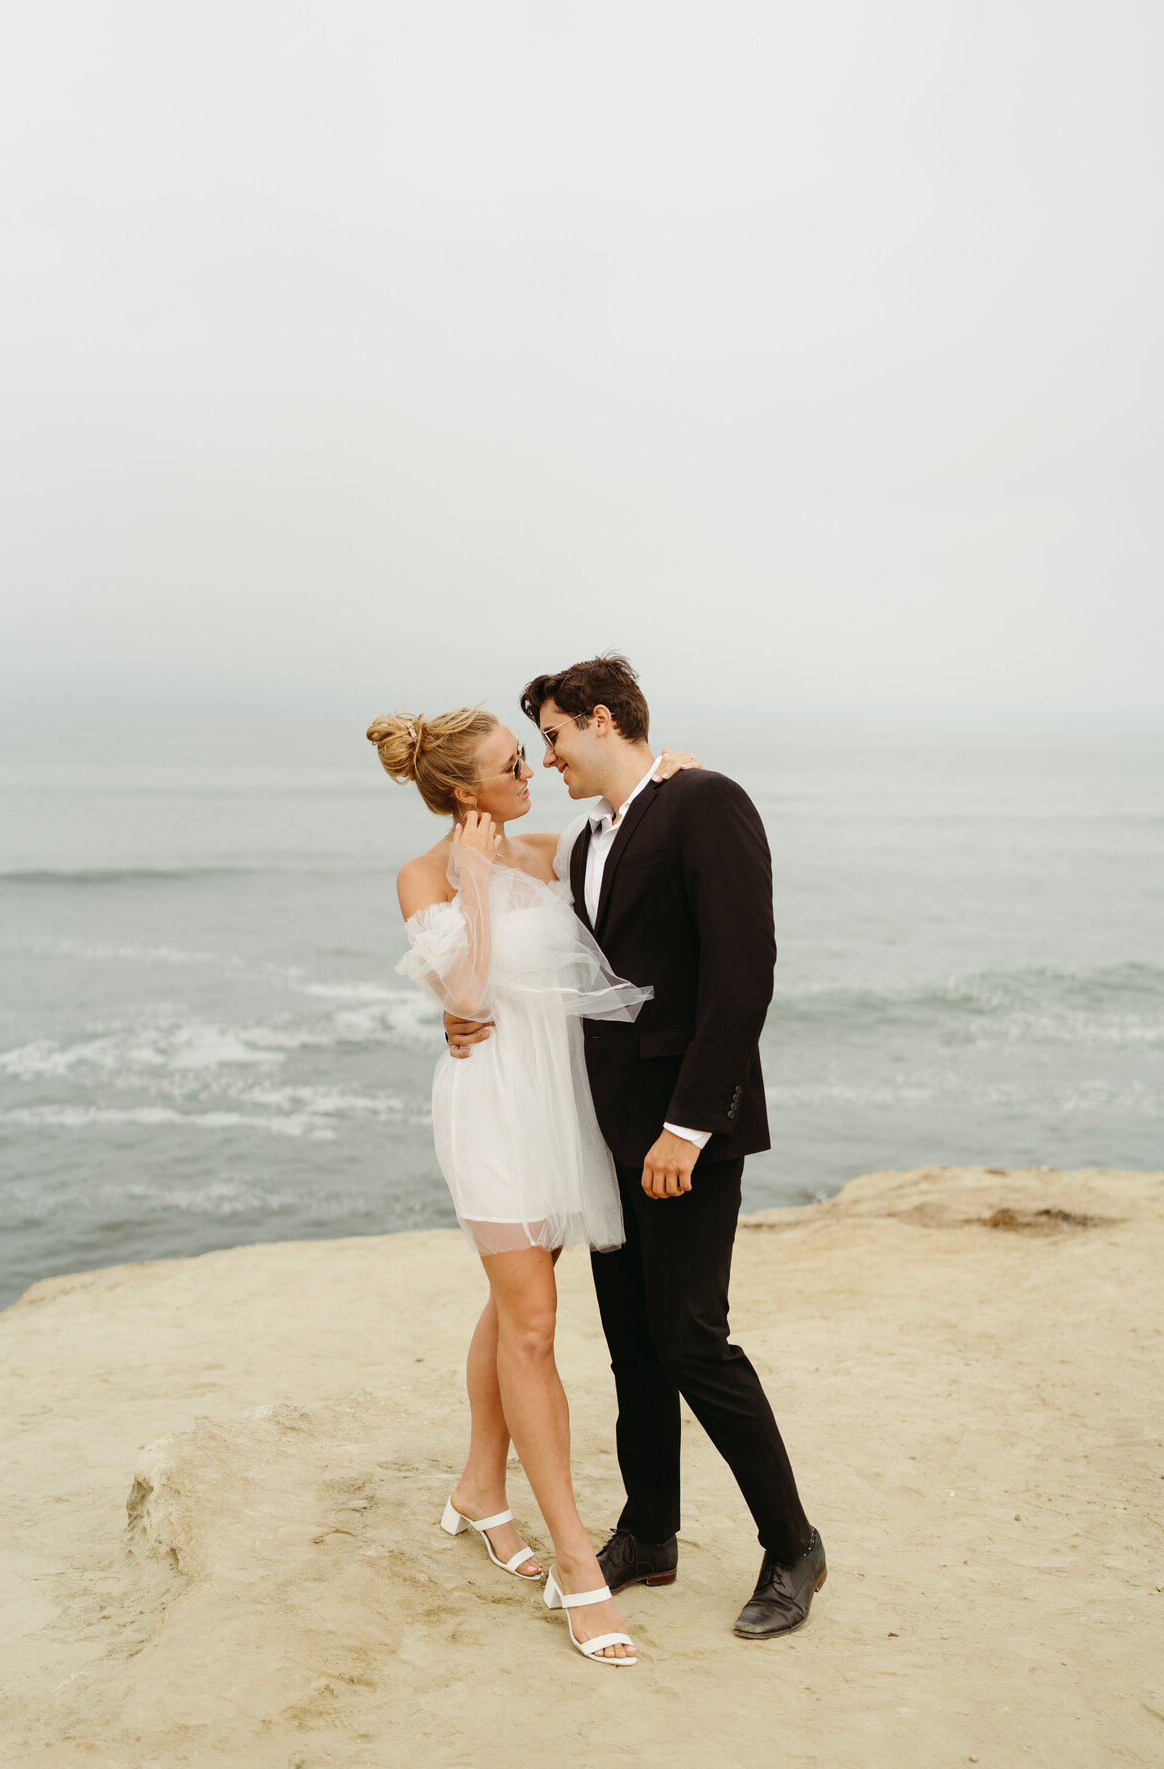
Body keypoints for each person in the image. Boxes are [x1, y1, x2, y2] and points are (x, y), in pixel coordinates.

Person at [447, 654, 826, 1640]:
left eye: (557, 737)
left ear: (603, 720)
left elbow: (744, 978)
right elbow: (488, 854)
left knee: (694, 1340)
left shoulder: (707, 804)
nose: (549, 757)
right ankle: (651, 1530)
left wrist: (690, 1127)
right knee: (632, 1349)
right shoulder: (588, 841)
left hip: (685, 1132)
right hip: (608, 1133)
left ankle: (793, 1546)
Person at [367, 704, 700, 1665]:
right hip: (493, 1114)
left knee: (517, 1308)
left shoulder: (552, 848)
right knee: (535, 1325)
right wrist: (473, 881)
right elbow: (466, 999)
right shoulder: (426, 875)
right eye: (516, 764)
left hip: (565, 1107)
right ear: (467, 792)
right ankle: (577, 1567)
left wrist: (677, 767)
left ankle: (479, 1488)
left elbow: (637, 827)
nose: (535, 770)